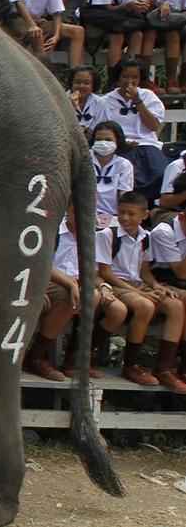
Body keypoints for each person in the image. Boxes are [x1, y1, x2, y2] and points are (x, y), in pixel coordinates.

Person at [96, 191, 186, 391]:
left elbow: (144, 271)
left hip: (137, 284)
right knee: (145, 305)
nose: (125, 218)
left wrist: (156, 286)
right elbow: (106, 273)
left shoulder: (145, 237)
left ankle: (164, 368)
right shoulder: (107, 234)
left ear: (144, 215)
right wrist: (140, 293)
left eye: (131, 214)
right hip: (116, 284)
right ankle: (130, 365)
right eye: (121, 213)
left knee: (175, 305)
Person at [27, 210, 126, 380]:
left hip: (79, 283)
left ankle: (78, 359)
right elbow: (41, 264)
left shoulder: (93, 237)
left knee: (117, 309)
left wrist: (103, 285)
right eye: (77, 211)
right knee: (80, 297)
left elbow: (92, 272)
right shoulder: (54, 231)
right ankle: (37, 356)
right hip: (48, 280)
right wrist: (70, 283)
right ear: (68, 212)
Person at [105, 59, 167, 204]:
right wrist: (122, 142)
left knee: (159, 173)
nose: (129, 81)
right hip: (120, 146)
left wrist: (138, 101)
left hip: (147, 144)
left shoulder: (149, 96)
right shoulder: (107, 100)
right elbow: (105, 128)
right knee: (128, 176)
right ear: (118, 78)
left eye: (135, 77)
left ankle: (149, 207)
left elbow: (154, 126)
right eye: (125, 77)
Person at [138, 0, 186, 90]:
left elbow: (174, 8)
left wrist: (166, 7)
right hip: (146, 23)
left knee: (173, 35)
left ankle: (171, 80)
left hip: (167, 23)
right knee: (150, 34)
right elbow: (144, 8)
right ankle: (145, 79)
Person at [90, 120, 135, 228]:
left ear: (117, 141)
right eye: (98, 139)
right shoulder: (84, 160)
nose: (103, 143)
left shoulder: (124, 165)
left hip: (113, 217)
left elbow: (124, 196)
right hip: (86, 214)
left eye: (108, 139)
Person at [69, 65, 107, 136]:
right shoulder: (62, 100)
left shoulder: (100, 102)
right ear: (71, 83)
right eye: (77, 82)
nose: (81, 86)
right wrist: (70, 106)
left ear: (93, 85)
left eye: (86, 83)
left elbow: (101, 126)